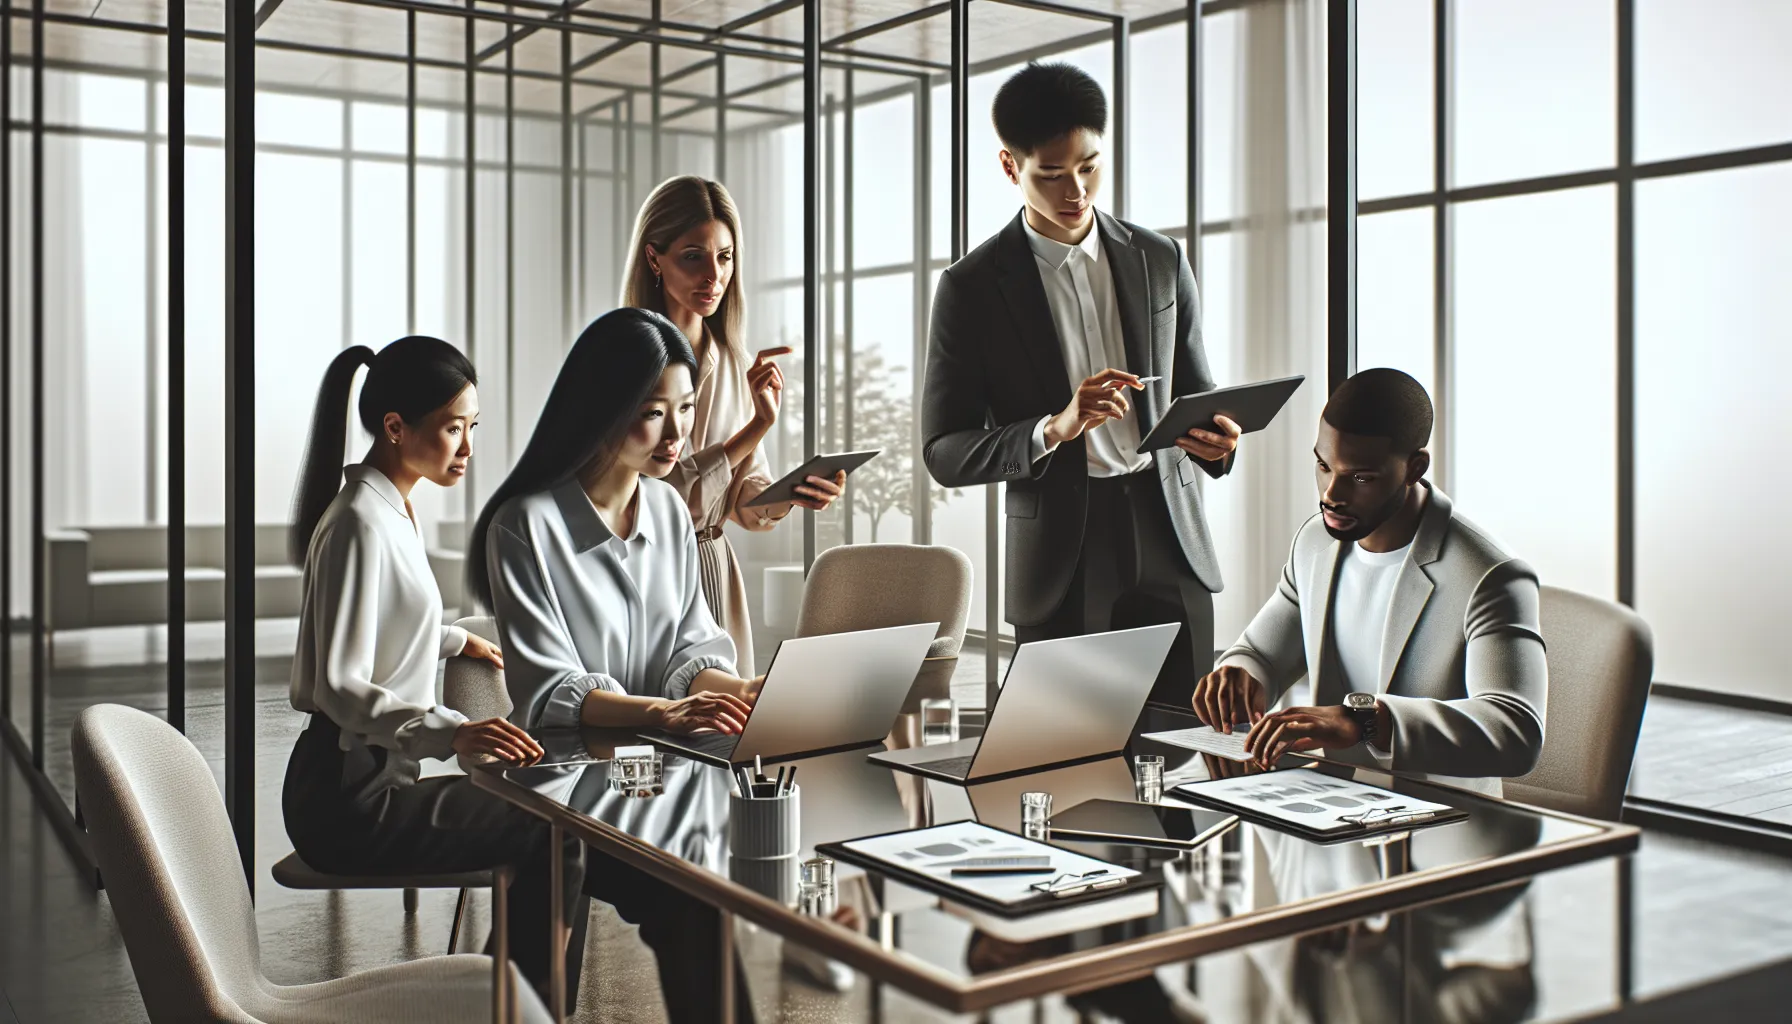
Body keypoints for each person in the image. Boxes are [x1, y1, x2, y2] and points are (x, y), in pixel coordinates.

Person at [468, 307, 763, 1024]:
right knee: (692, 896)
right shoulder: (526, 525)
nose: (676, 434)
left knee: (714, 886)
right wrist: (664, 713)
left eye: (685, 409)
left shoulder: (666, 510)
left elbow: (688, 649)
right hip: (561, 788)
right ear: (601, 408)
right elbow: (549, 689)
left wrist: (744, 692)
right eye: (652, 413)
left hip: (658, 780)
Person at [921, 62, 1240, 707]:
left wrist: (1218, 443)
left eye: (1090, 166)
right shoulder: (971, 289)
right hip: (1062, 553)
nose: (1077, 190)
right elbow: (944, 451)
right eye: (1053, 173)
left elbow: (1197, 394)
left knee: (1186, 747)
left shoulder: (1161, 258)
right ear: (1011, 168)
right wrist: (1054, 427)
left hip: (1170, 530)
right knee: (1067, 757)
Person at [280, 337, 581, 1008]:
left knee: (558, 825)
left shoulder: (392, 505)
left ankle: (503, 998)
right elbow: (339, 682)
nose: (468, 449)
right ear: (395, 426)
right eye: (453, 429)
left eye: (472, 427)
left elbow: (382, 614)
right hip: (347, 797)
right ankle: (517, 1005)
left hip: (370, 777)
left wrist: (450, 642)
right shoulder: (361, 522)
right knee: (553, 831)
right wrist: (451, 733)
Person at [1192, 368, 1548, 790]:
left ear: (1414, 467)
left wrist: (1366, 720)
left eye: (1360, 477)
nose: (1331, 493)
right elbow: (1262, 654)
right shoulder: (1313, 543)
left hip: (1444, 823)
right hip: (1332, 810)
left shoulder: (1491, 575)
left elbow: (1516, 731)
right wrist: (1238, 671)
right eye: (1323, 466)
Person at [622, 175, 844, 675]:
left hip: (714, 569)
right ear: (654, 258)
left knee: (725, 733)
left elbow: (744, 502)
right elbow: (645, 497)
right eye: (693, 256)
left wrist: (792, 493)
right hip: (645, 571)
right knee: (657, 721)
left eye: (725, 257)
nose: (714, 276)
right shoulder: (623, 361)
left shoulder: (737, 361)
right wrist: (756, 427)